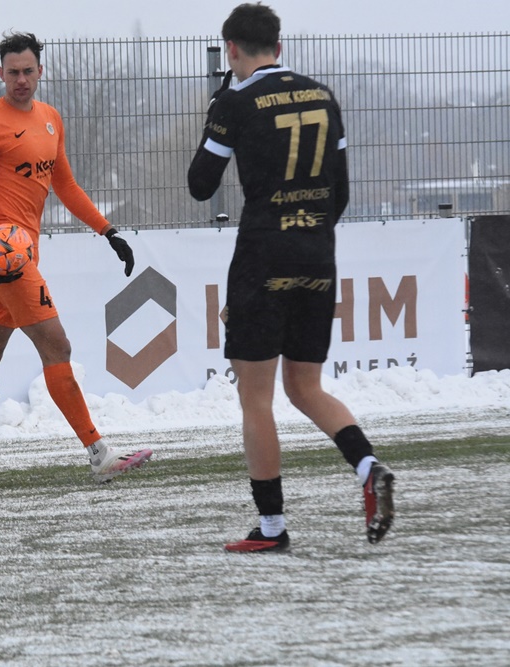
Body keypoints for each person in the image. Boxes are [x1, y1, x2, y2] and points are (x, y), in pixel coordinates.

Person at [187, 3, 395, 551]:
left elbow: (200, 185)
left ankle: (272, 527)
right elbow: (340, 192)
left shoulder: (236, 101)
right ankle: (367, 464)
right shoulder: (324, 96)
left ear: (231, 49)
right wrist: (309, 233)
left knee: (256, 398)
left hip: (262, 254)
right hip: (318, 253)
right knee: (306, 386)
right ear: (278, 46)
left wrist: (216, 115)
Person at [0, 31, 152, 486]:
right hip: (6, 261)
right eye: (13, 72)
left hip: (25, 252)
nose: (21, 80)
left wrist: (108, 231)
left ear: (40, 71)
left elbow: (64, 185)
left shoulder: (50, 118)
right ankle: (100, 454)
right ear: (0, 73)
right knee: (57, 346)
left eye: (28, 71)